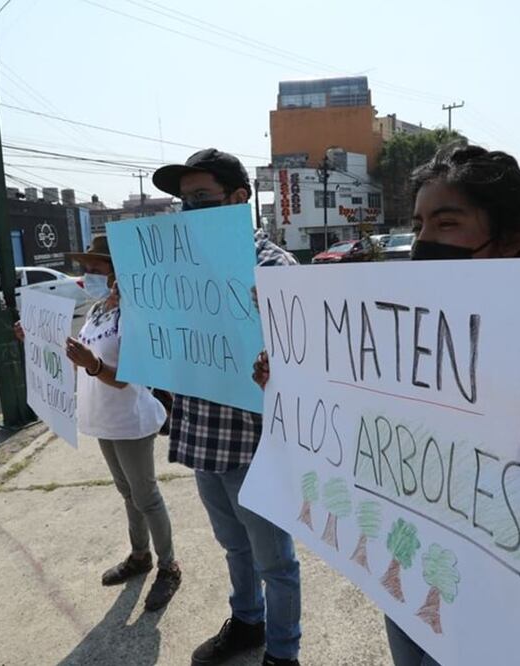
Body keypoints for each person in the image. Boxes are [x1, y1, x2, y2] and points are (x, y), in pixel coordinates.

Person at [254, 142, 520, 665]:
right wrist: (291, 382)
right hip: (411, 606)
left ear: (510, 241)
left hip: (510, 640)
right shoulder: (393, 343)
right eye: (419, 225)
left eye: (447, 223)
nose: (423, 242)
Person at [150, 148, 303, 666]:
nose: (188, 210)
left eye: (200, 198)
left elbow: (308, 368)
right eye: (182, 201)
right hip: (203, 437)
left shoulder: (276, 269)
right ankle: (247, 622)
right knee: (234, 547)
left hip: (256, 445)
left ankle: (282, 654)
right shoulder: (183, 268)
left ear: (239, 199)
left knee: (275, 562)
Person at [14, 236, 182, 612]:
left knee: (146, 495)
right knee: (127, 493)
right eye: (85, 268)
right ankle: (140, 556)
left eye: (96, 268)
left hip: (131, 418)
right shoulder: (96, 312)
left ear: (116, 273)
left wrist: (91, 363)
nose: (87, 274)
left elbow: (123, 376)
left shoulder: (135, 313)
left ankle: (169, 565)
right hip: (103, 416)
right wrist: (37, 338)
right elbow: (80, 354)